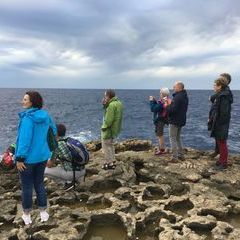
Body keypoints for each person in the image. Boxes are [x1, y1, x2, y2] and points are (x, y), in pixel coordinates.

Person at [15, 91, 56, 225]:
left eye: (25, 99)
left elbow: (24, 140)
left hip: (28, 160)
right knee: (39, 184)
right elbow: (53, 132)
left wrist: (20, 158)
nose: (23, 101)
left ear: (32, 102)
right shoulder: (45, 116)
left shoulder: (28, 118)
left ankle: (26, 214)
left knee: (27, 187)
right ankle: (43, 212)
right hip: (42, 157)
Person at [45, 124, 86, 191]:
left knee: (44, 171)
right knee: (61, 166)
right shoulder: (69, 140)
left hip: (72, 173)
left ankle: (67, 183)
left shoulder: (57, 145)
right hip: (82, 170)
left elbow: (49, 165)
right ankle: (76, 180)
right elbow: (67, 157)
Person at [208, 77, 233, 170]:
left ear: (220, 86)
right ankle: (221, 160)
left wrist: (217, 121)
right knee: (220, 142)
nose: (213, 86)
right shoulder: (221, 94)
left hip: (221, 123)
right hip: (219, 122)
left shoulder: (224, 96)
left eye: (215, 85)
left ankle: (224, 162)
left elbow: (224, 112)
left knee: (222, 142)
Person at [166, 81, 188, 162]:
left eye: (174, 86)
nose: (173, 88)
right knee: (178, 138)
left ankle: (174, 157)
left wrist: (168, 105)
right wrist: (172, 103)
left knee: (173, 138)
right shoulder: (184, 96)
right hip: (181, 120)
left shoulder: (178, 97)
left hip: (174, 120)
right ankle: (181, 155)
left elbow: (172, 110)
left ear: (179, 87)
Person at [101, 89, 123, 170]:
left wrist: (104, 127)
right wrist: (105, 105)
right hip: (115, 129)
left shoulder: (111, 105)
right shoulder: (118, 103)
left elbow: (109, 120)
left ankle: (109, 163)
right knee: (111, 145)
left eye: (105, 96)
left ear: (108, 96)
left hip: (109, 129)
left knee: (106, 146)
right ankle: (113, 161)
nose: (104, 97)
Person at [149, 88, 170, 155]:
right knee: (159, 135)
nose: (160, 94)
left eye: (160, 93)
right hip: (162, 119)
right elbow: (158, 107)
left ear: (163, 94)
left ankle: (162, 150)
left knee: (160, 135)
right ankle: (161, 148)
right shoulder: (165, 100)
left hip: (160, 119)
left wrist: (151, 101)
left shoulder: (163, 101)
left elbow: (153, 109)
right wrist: (155, 101)